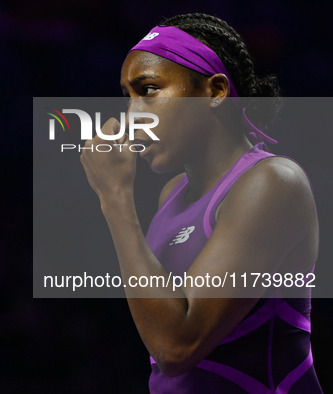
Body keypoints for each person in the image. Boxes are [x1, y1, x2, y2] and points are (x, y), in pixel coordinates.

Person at [79, 13, 322, 393]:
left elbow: (176, 349)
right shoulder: (172, 191)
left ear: (215, 91)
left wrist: (114, 197)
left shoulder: (273, 183)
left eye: (149, 90)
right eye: (128, 97)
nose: (132, 117)